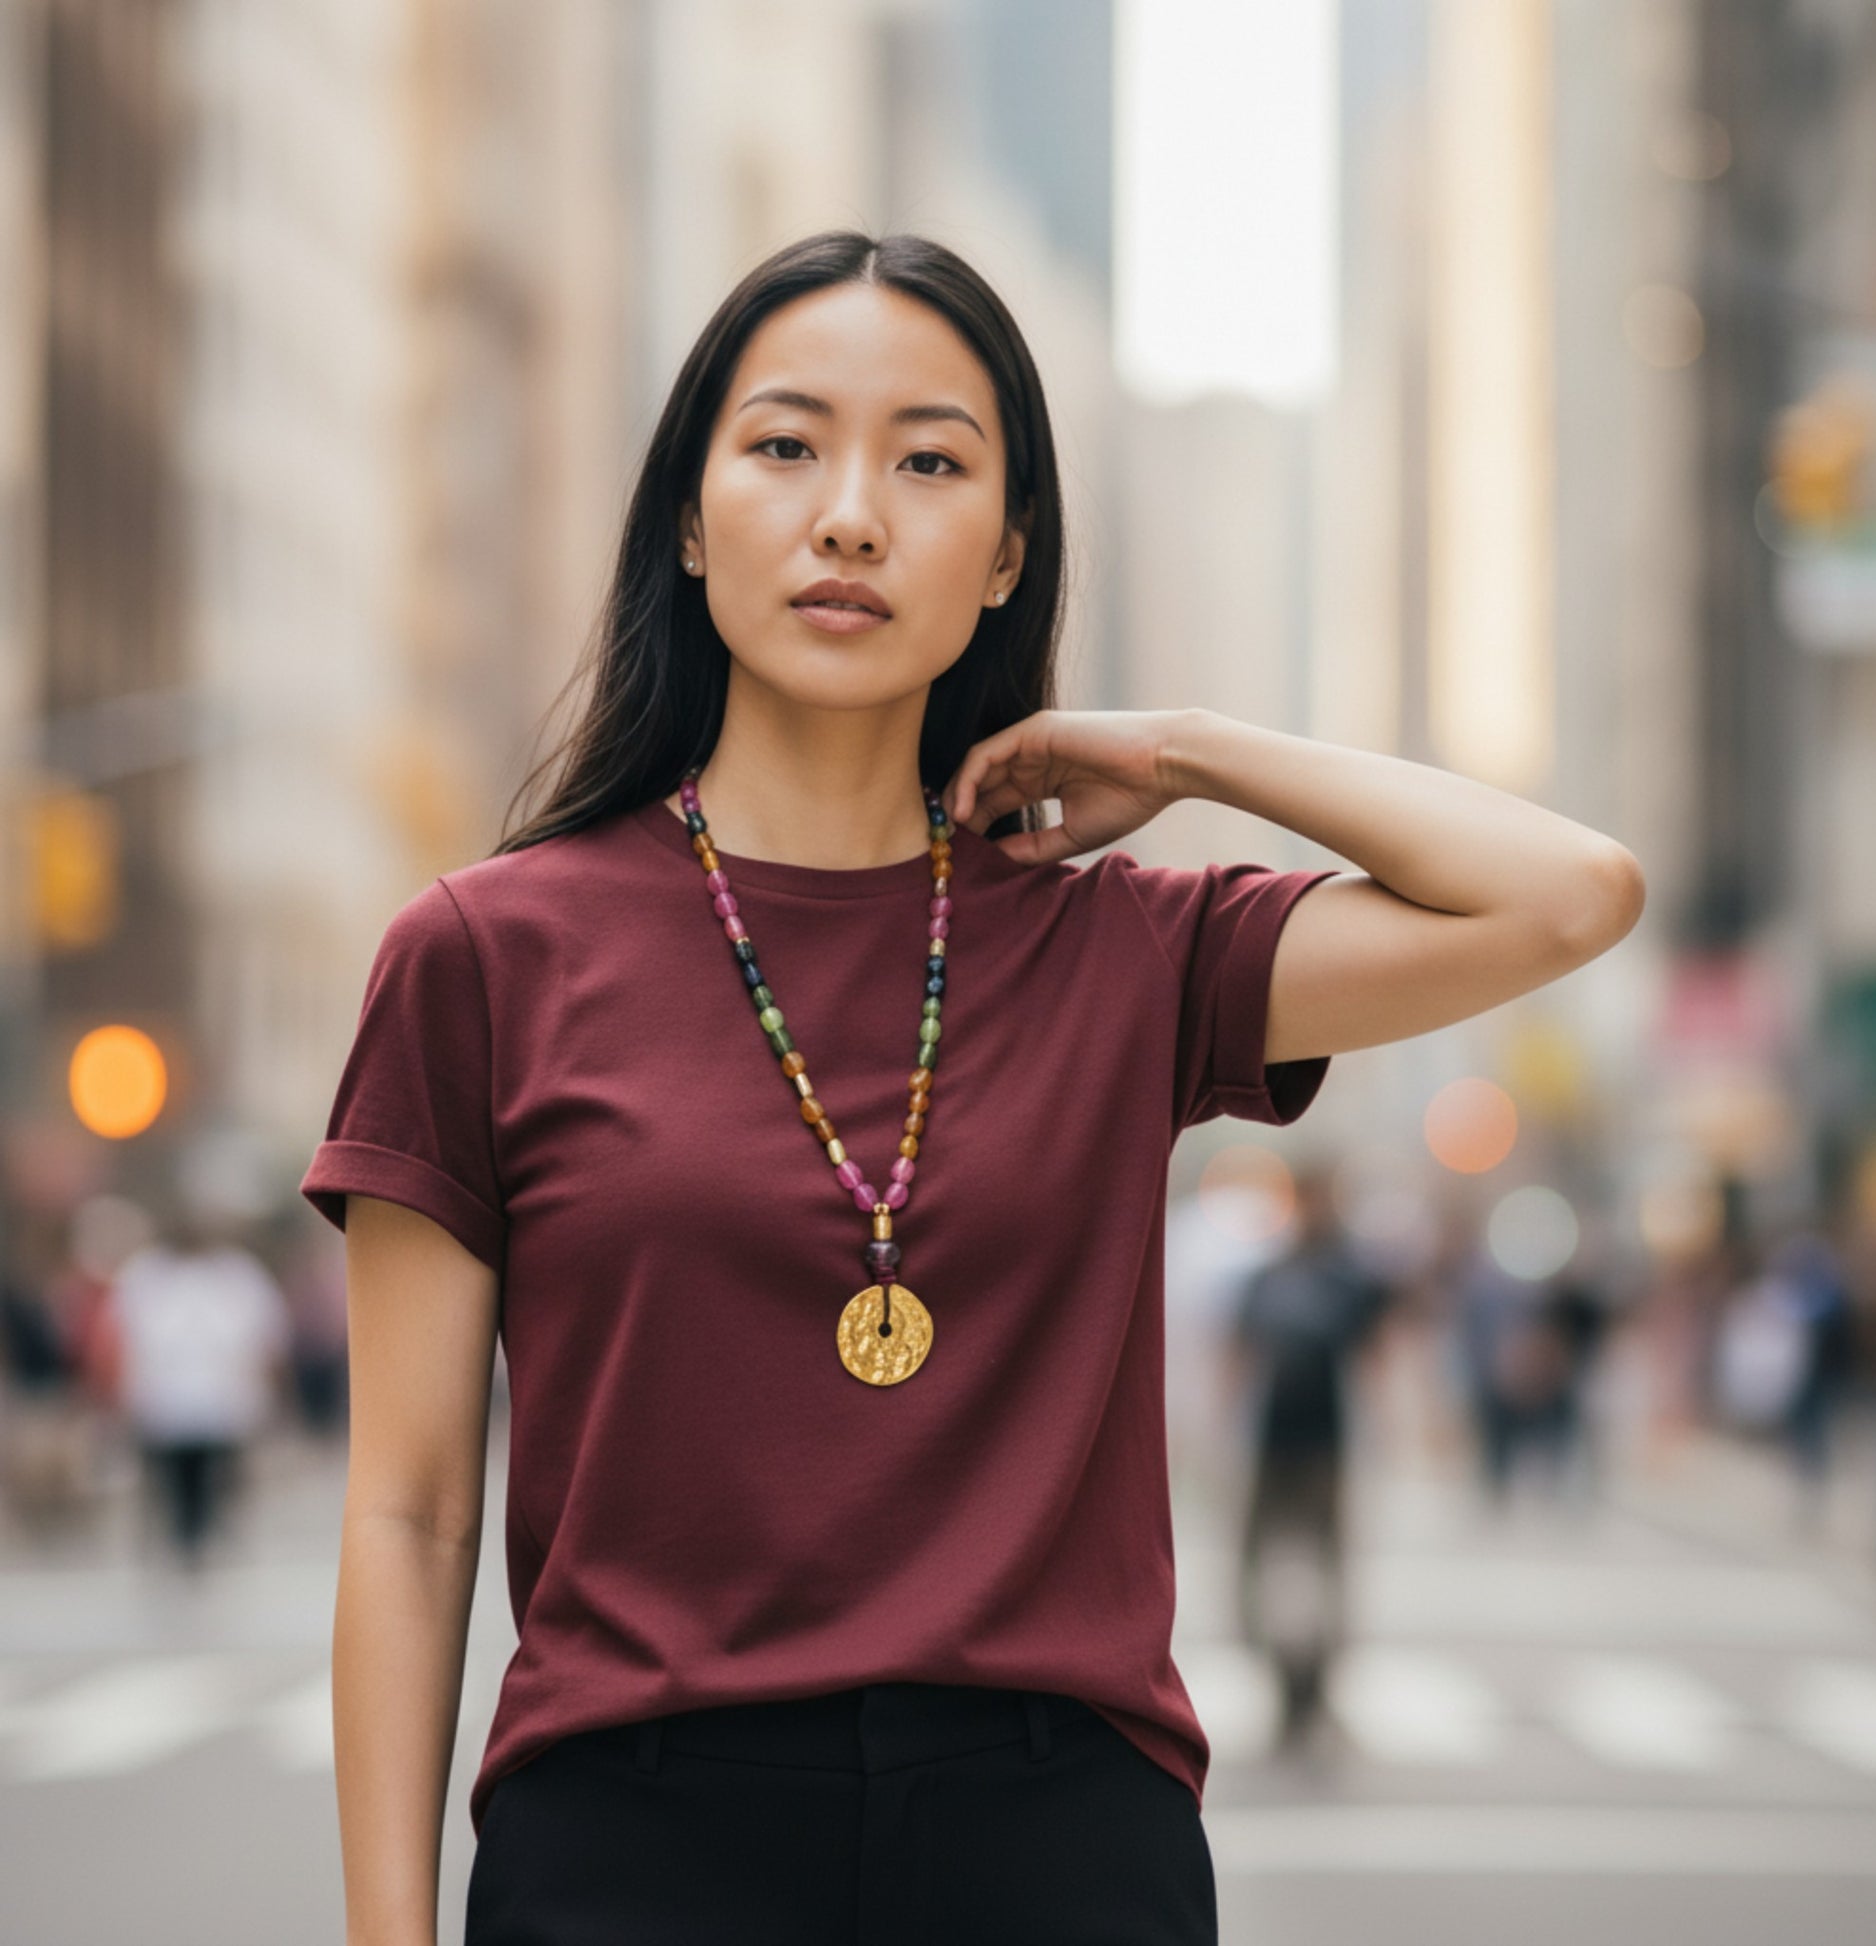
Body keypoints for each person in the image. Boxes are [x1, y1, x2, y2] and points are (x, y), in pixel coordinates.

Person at [300, 228, 1645, 1946]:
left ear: (1008, 556)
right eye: (785, 446)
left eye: (929, 462)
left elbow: (1570, 892)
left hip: (1057, 1846)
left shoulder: (1131, 954)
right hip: (637, 1850)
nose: (851, 512)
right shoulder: (486, 956)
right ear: (691, 520)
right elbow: (407, 1513)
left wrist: (1178, 750)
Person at [1227, 1165, 1389, 1732]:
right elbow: (1238, 1354)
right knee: (1260, 1566)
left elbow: (1377, 1358)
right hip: (1272, 1440)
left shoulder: (1349, 1278)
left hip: (1327, 1443)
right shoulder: (1271, 1275)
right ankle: (1281, 1670)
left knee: (1322, 1569)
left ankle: (1313, 1680)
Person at [101, 1189, 292, 1571]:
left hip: (222, 1398)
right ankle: (178, 1538)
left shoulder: (237, 1274)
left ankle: (206, 1536)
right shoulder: (146, 1275)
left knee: (215, 1476)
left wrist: (272, 1390)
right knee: (171, 1478)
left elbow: (267, 1334)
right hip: (164, 1398)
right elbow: (119, 1336)